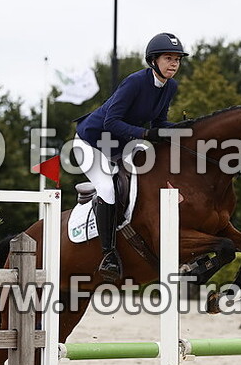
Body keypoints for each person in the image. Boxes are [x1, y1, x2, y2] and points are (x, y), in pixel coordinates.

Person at [73, 32, 188, 281]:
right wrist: (147, 133)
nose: (174, 64)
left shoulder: (170, 87)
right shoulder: (135, 82)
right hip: (91, 142)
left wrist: (184, 129)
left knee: (154, 170)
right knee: (107, 189)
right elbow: (111, 121)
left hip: (122, 143)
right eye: (169, 58)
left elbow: (159, 122)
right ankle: (109, 255)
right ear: (153, 60)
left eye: (177, 59)